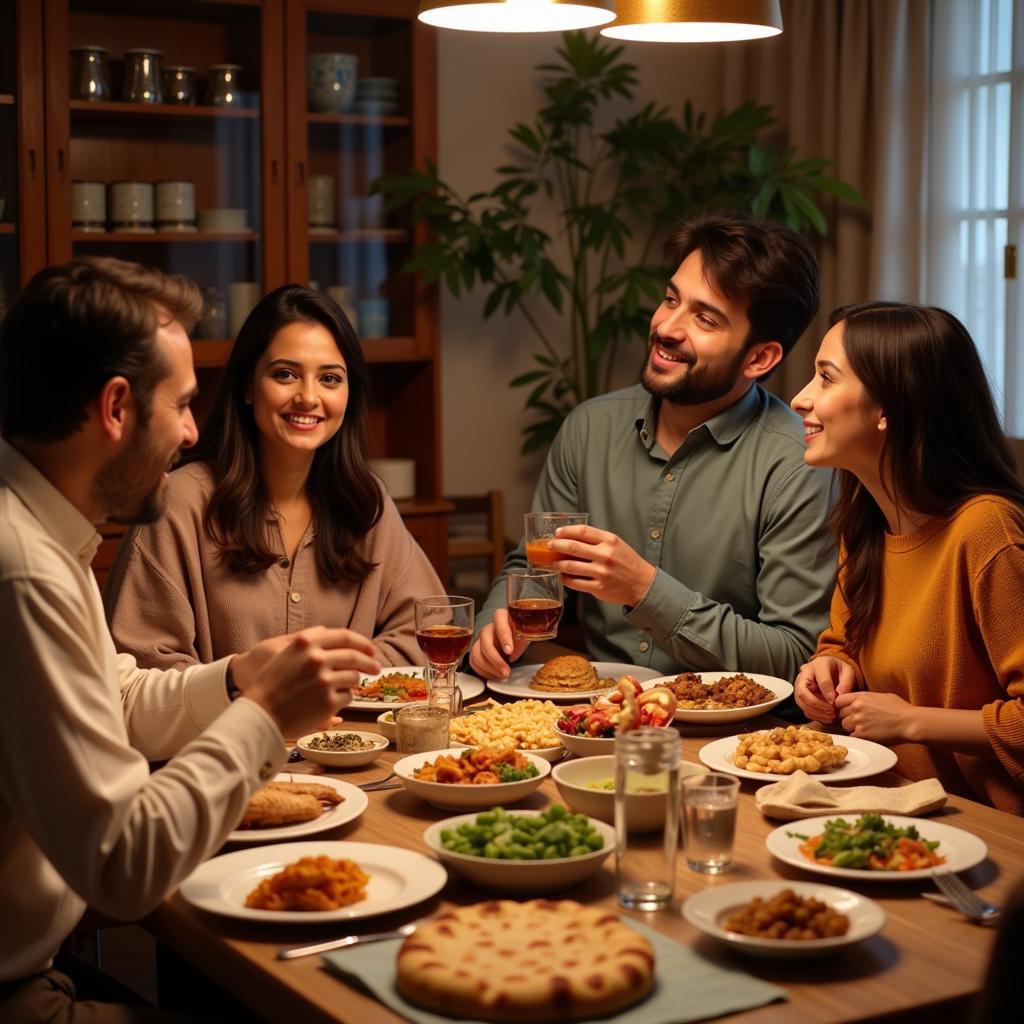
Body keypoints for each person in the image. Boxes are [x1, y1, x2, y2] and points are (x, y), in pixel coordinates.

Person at [0, 257, 382, 1020]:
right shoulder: (26, 572)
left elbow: (121, 698)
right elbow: (124, 866)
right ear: (115, 408)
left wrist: (239, 677)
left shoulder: (44, 531)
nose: (192, 431)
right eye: (178, 404)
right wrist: (265, 716)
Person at [471, 211, 835, 681]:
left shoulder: (796, 461)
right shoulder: (589, 427)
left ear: (759, 357)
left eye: (704, 318)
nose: (666, 327)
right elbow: (534, 567)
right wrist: (493, 630)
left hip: (733, 737)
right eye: (670, 300)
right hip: (597, 713)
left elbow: (794, 655)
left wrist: (644, 589)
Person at [103, 284, 443, 671]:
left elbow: (429, 630)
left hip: (353, 731)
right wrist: (260, 691)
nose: (308, 398)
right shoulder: (179, 504)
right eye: (285, 374)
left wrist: (328, 678)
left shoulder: (367, 502)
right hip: (224, 733)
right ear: (248, 385)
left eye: (330, 379)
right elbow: (143, 668)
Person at [791, 301, 1024, 814]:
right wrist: (830, 668)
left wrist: (911, 721)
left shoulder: (987, 532)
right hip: (885, 804)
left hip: (986, 832)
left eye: (826, 379)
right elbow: (843, 643)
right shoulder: (868, 523)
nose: (800, 398)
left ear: (887, 409)